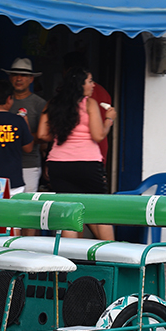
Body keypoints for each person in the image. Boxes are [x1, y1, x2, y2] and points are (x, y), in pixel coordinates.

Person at [36, 66, 116, 241]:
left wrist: (60, 133)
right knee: (101, 212)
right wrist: (109, 119)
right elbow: (98, 135)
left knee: (69, 214)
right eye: (89, 81)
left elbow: (42, 135)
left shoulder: (53, 103)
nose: (93, 85)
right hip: (87, 164)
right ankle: (112, 259)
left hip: (58, 165)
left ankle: (67, 263)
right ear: (80, 84)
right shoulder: (89, 103)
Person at [3, 58, 46, 192]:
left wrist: (21, 137)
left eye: (24, 75)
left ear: (31, 79)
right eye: (15, 75)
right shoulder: (4, 102)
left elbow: (43, 137)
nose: (19, 78)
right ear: (10, 78)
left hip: (29, 164)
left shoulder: (39, 104)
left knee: (26, 206)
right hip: (4, 163)